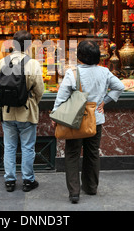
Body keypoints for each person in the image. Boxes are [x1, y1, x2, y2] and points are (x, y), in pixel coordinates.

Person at [51, 40, 125, 204]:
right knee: (92, 153)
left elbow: (61, 97)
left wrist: (55, 116)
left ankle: (74, 192)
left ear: (80, 56)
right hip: (95, 120)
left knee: (72, 154)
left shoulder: (73, 73)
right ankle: (91, 187)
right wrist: (105, 100)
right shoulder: (104, 72)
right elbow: (119, 86)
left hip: (74, 120)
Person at [0, 30, 44, 192]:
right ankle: (28, 181)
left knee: (9, 146)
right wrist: (33, 102)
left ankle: (10, 181)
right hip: (26, 111)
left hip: (7, 112)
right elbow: (39, 90)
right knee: (28, 147)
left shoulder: (2, 62)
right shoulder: (33, 63)